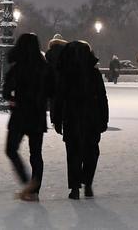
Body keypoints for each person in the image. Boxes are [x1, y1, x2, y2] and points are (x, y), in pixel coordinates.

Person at [53, 40, 109, 200]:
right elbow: (102, 98)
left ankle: (75, 187)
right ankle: (88, 182)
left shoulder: (66, 74)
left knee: (73, 153)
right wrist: (104, 118)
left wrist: (56, 119)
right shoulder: (94, 73)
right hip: (91, 117)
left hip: (71, 116)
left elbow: (59, 98)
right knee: (92, 151)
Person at [2, 33, 53, 202]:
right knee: (36, 153)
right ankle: (34, 190)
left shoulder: (18, 67)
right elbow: (51, 92)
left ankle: (26, 181)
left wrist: (13, 100)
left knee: (11, 149)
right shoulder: (44, 67)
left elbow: (6, 91)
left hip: (20, 114)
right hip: (37, 115)